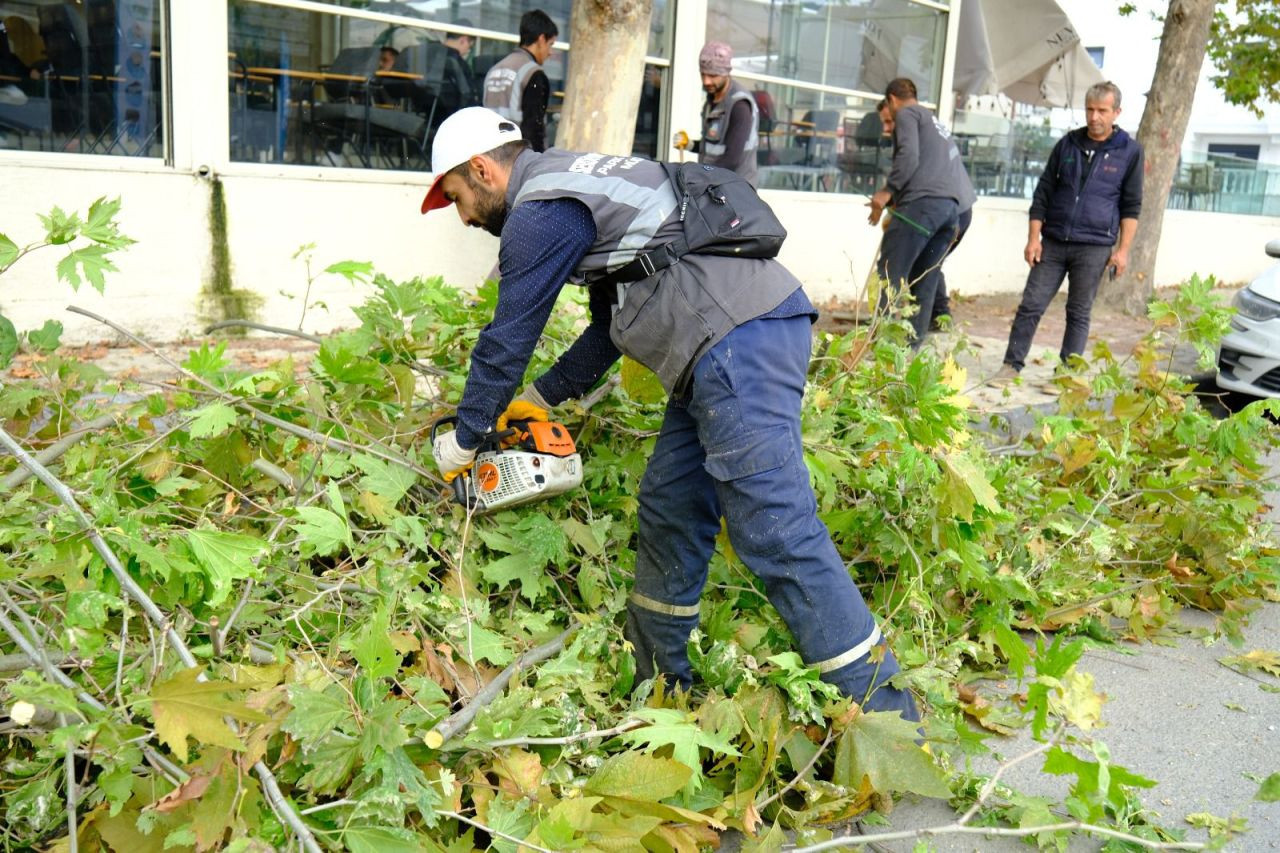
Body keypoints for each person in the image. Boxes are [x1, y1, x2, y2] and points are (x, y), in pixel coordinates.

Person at [424, 106, 920, 721]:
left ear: (481, 170)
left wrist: (466, 441)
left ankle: (889, 721)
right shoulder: (574, 186)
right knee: (670, 506)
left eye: (458, 198)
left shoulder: (539, 211)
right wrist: (543, 399)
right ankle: (659, 686)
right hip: (715, 348)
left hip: (737, 337)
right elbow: (609, 323)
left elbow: (508, 336)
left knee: (775, 529)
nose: (465, 217)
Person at [994, 81, 1143, 382]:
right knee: (1031, 305)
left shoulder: (1130, 152)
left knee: (1078, 312)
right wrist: (1033, 238)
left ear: (1117, 112)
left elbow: (1131, 206)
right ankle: (1011, 366)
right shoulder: (1068, 144)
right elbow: (1043, 192)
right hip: (1053, 241)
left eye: (1102, 111)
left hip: (1095, 246)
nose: (1094, 117)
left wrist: (1123, 251)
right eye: (1089, 109)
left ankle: (1066, 376)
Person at [869, 79, 974, 345]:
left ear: (892, 100)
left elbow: (908, 157)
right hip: (953, 211)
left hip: (925, 206)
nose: (889, 127)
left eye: (888, 120)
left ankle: (876, 341)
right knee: (924, 277)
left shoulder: (907, 113)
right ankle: (910, 349)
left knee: (889, 271)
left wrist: (886, 192)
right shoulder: (932, 120)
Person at [672, 41, 759, 186]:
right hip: (715, 184)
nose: (706, 81)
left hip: (736, 189)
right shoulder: (712, 100)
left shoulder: (740, 105)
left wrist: (699, 180)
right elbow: (713, 148)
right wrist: (690, 145)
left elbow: (731, 159)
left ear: (726, 73)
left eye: (712, 75)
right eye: (703, 74)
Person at [483, 9, 556, 152]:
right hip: (518, 158)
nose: (550, 52)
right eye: (551, 44)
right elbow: (534, 128)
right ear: (541, 40)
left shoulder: (494, 70)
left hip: (491, 155)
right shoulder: (533, 73)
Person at [439, 21, 481, 115]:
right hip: (453, 117)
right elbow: (469, 98)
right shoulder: (458, 64)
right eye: (469, 46)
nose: (468, 51)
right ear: (463, 40)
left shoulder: (429, 54)